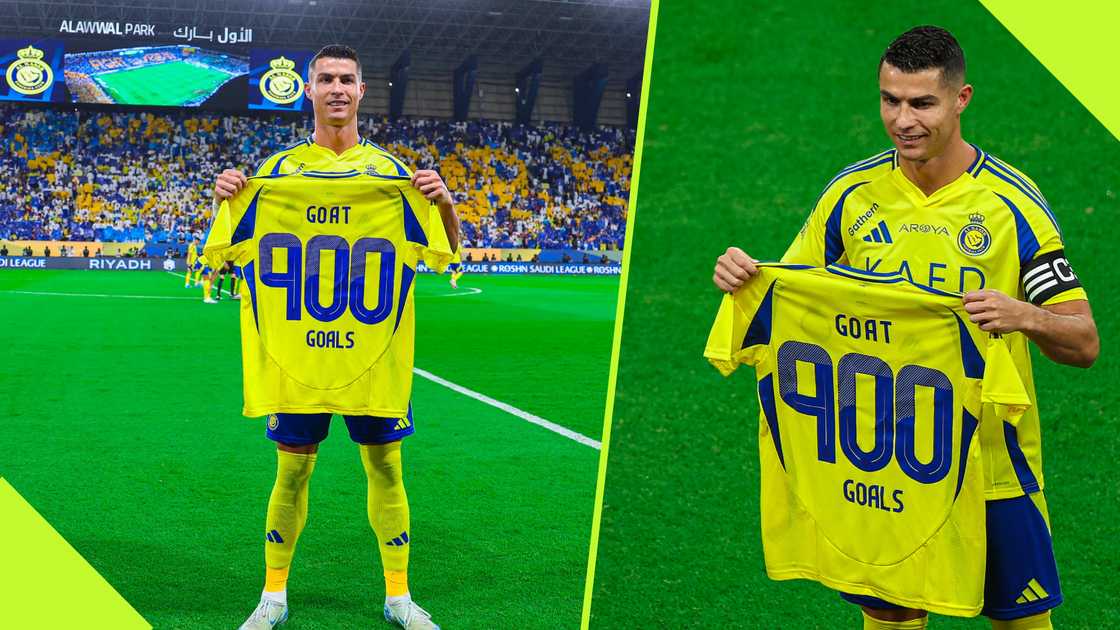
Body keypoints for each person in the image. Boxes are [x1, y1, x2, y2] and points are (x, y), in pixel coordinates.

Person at [711, 26, 1098, 630]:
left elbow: (1084, 341)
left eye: (922, 103)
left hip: (992, 466)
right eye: (890, 100)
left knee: (1020, 623)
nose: (903, 120)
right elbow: (789, 288)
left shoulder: (1012, 208)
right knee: (891, 621)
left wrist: (1022, 314)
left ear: (961, 98)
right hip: (886, 467)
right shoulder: (850, 197)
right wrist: (744, 272)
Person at [213, 44, 458, 630]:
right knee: (291, 471)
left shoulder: (394, 177)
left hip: (371, 355)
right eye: (326, 79)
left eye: (348, 79)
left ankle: (398, 595)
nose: (338, 88)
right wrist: (224, 196)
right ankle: (273, 594)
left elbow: (447, 253)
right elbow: (223, 257)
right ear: (309, 90)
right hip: (298, 358)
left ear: (362, 91)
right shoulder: (274, 176)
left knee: (387, 471)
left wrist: (445, 204)